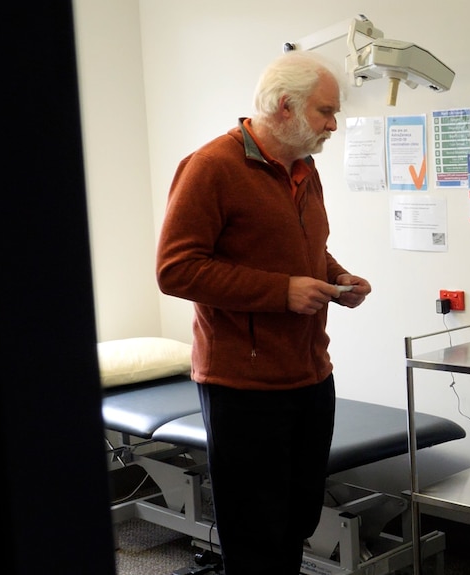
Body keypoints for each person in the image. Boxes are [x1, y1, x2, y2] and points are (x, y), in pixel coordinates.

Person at [156, 50, 372, 575]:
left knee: (297, 519)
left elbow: (306, 250)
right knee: (255, 533)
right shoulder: (210, 167)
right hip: (242, 384)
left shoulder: (305, 169)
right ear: (283, 107)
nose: (333, 125)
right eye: (325, 112)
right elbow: (176, 270)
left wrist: (337, 276)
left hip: (309, 371)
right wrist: (282, 292)